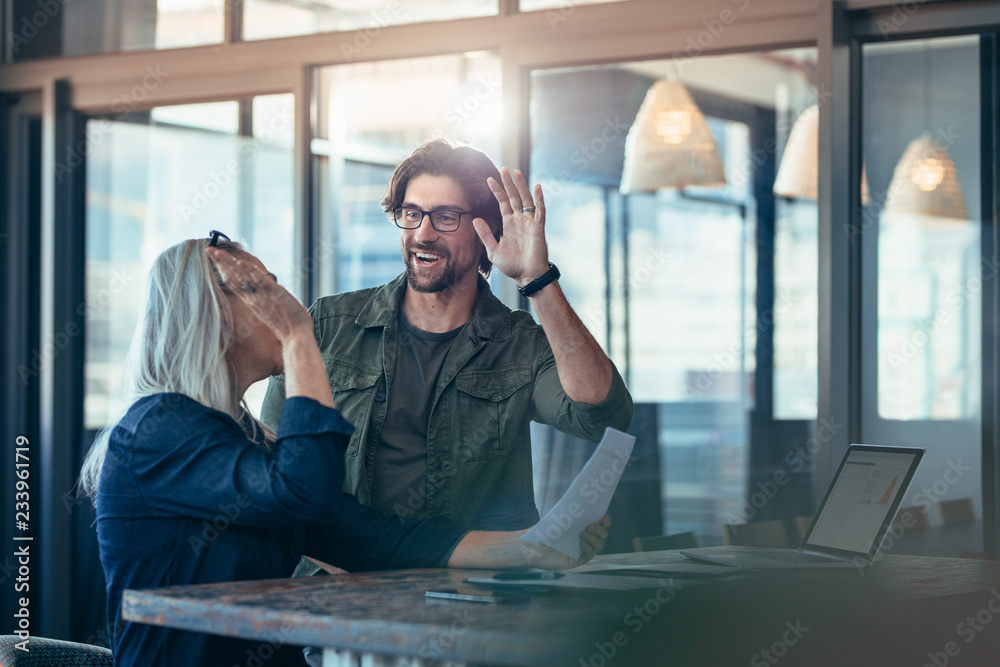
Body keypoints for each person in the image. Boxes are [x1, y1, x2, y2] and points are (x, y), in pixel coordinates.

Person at [78, 234, 609, 667]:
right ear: (218, 314)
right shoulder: (157, 431)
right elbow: (302, 490)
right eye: (263, 290)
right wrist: (299, 335)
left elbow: (374, 539)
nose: (283, 303)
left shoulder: (235, 437)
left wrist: (537, 544)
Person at [260, 139, 633, 538]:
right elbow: (270, 454)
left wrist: (537, 280)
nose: (423, 233)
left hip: (476, 586)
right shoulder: (328, 324)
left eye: (446, 217)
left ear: (487, 229)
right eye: (411, 213)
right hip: (338, 583)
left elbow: (602, 415)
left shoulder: (519, 344)